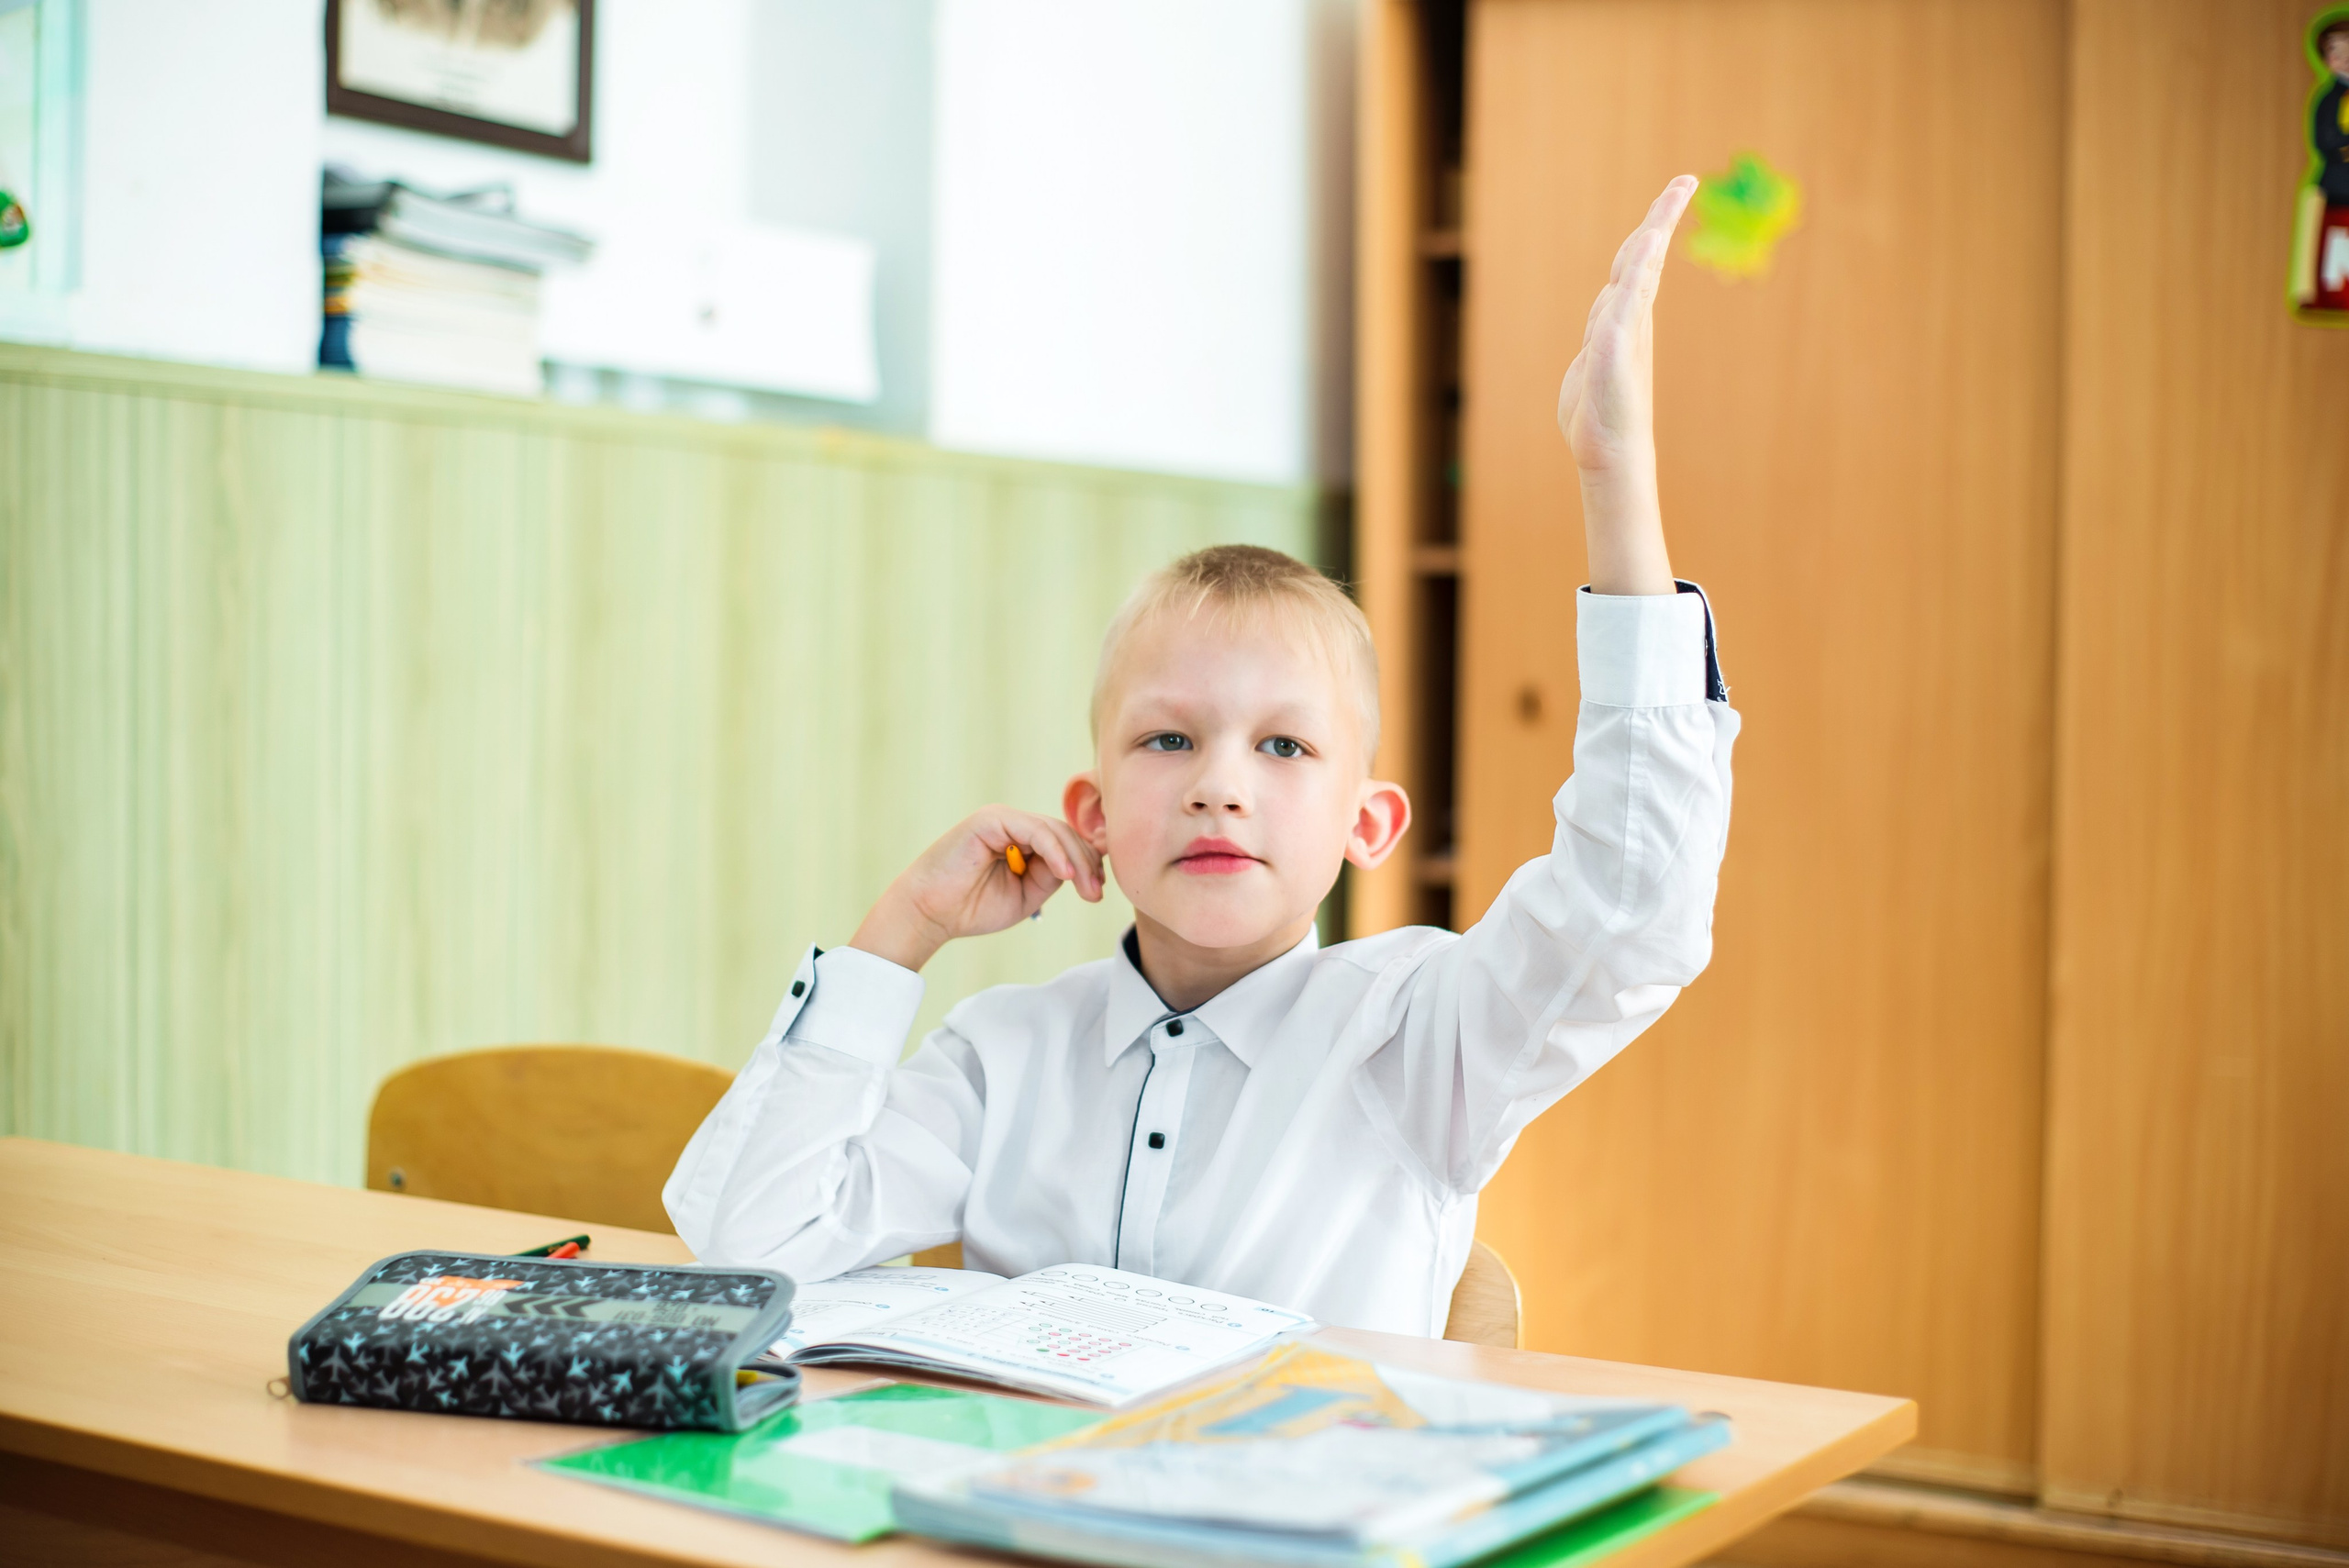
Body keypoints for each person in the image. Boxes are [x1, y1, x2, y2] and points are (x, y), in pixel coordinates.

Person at [664, 178, 1740, 1336]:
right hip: (1017, 1509)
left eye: (1283, 745)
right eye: (1167, 738)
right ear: (1094, 810)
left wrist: (1612, 478)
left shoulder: (1416, 1037)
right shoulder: (1003, 1051)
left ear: (1365, 823)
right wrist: (899, 934)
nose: (1219, 782)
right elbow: (750, 1246)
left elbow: (1633, 911)